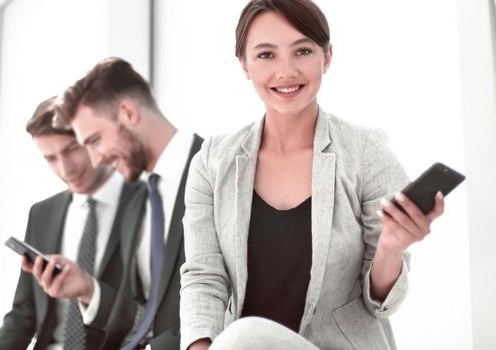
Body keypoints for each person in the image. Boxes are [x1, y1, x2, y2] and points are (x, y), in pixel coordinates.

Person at [179, 1, 445, 349]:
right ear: (243, 64)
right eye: (266, 55)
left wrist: (390, 249)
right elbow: (203, 278)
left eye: (302, 50)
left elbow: (381, 302)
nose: (286, 71)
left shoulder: (366, 152)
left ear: (327, 56)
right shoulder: (212, 161)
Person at [53, 57, 203, 350]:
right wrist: (86, 288)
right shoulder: (135, 203)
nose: (96, 160)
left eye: (95, 140)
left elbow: (238, 297)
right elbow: (142, 316)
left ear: (128, 113)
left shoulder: (217, 170)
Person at [0, 96, 146, 350]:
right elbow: (24, 315)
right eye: (50, 158)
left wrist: (89, 289)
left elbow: (157, 312)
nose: (65, 169)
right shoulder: (42, 213)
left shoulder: (147, 203)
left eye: (71, 149)